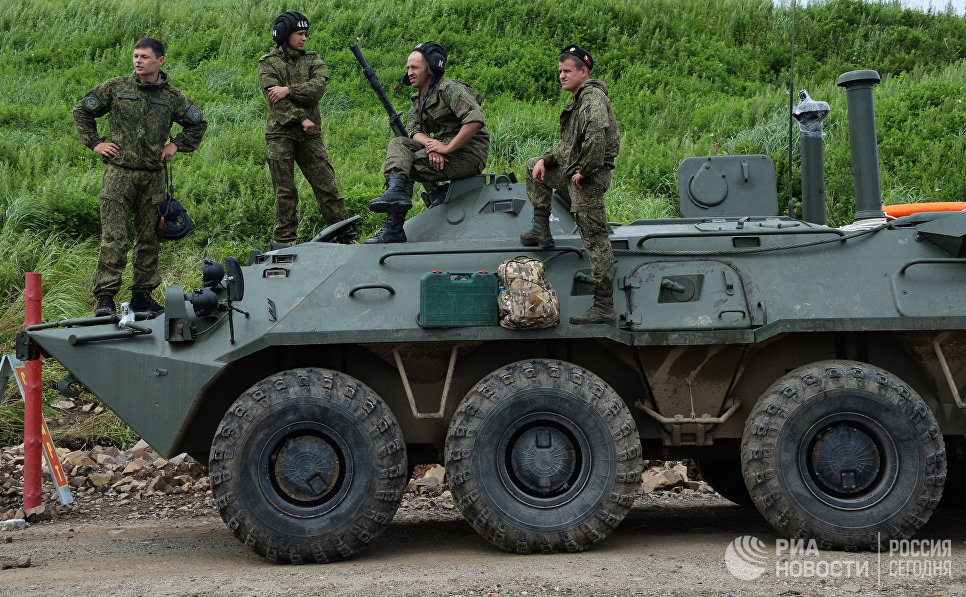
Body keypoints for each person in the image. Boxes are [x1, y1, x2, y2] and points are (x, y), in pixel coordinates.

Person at [73, 37, 207, 317]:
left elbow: (198, 123)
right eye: (135, 55)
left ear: (160, 60)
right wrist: (95, 143)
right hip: (118, 174)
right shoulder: (116, 87)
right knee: (115, 237)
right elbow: (82, 110)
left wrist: (176, 145)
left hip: (153, 177)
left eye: (145, 56)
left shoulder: (171, 97)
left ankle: (142, 296)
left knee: (149, 238)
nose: (138, 60)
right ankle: (105, 298)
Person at [521, 45, 621, 326]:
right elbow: (567, 148)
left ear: (583, 72)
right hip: (576, 172)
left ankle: (603, 306)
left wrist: (585, 171)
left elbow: (597, 137)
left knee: (595, 240)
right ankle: (541, 229)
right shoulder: (579, 101)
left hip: (588, 180)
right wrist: (544, 158)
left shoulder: (592, 99)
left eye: (567, 71)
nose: (561, 76)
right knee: (532, 167)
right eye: (560, 71)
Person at [365, 41, 489, 244]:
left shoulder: (449, 89)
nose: (409, 72)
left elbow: (475, 119)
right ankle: (395, 192)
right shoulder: (421, 98)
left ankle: (394, 229)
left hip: (468, 153)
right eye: (408, 68)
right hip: (444, 148)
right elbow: (414, 131)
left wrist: (447, 148)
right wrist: (432, 145)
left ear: (430, 69)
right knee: (399, 143)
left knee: (409, 166)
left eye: (414, 67)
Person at [258, 10, 355, 245]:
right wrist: (301, 117)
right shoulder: (267, 63)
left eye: (305, 33)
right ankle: (284, 242)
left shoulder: (313, 59)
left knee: (327, 187)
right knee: (285, 192)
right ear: (284, 35)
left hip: (310, 135)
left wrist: (289, 89)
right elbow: (275, 100)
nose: (304, 38)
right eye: (299, 34)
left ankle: (346, 237)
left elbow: (317, 89)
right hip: (280, 134)